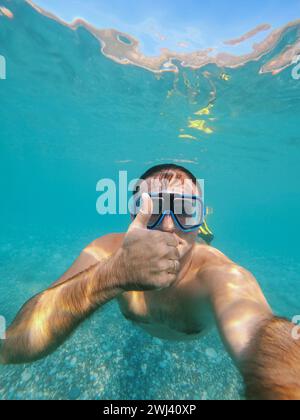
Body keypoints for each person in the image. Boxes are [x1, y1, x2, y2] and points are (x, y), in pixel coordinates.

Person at [1, 164, 299, 400]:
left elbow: (264, 334)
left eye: (185, 210)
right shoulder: (108, 252)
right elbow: (15, 344)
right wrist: (114, 274)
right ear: (134, 215)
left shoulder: (218, 274)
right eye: (153, 209)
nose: (169, 226)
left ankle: (205, 231)